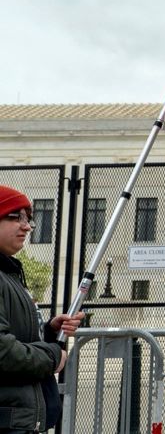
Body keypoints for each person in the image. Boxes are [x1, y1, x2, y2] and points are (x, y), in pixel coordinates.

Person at [0, 185, 84, 433]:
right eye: (16, 217)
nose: (26, 226)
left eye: (29, 219)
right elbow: (2, 351)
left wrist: (47, 332)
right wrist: (51, 356)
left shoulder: (9, 273)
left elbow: (15, 337)